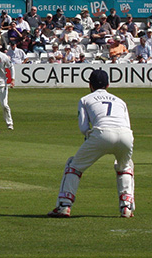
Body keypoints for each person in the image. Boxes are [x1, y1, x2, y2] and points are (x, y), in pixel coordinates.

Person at [48, 70, 135, 218]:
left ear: (90, 85)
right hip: (126, 135)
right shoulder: (120, 101)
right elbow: (127, 125)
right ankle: (126, 207)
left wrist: (90, 136)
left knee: (73, 166)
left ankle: (64, 205)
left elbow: (83, 128)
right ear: (108, 85)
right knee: (125, 166)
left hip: (101, 133)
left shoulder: (85, 99)